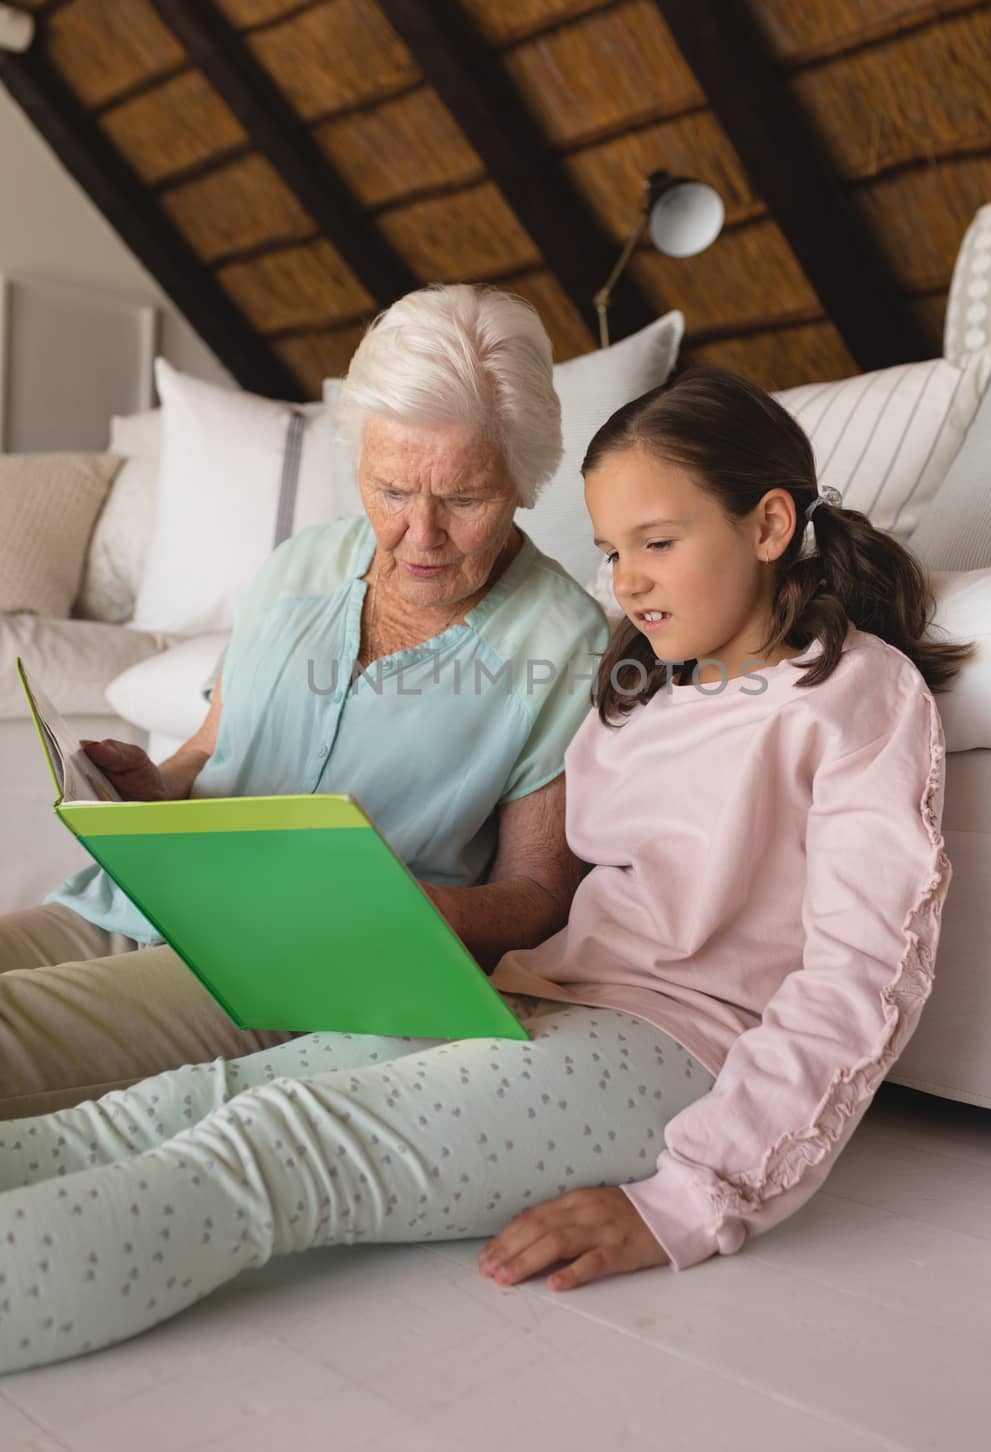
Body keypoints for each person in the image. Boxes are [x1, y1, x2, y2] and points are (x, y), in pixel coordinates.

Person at [0, 365, 975, 1374]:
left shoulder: (854, 691)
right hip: (532, 996)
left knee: (278, 1145)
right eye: (609, 551)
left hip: (678, 1048)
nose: (626, 581)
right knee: (194, 1100)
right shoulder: (637, 688)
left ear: (768, 525)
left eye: (656, 543)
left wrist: (693, 1198)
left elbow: (863, 975)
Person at [0, 284, 607, 1118]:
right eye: (391, 490)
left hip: (294, 961)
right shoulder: (303, 563)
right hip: (140, 898)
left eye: (463, 500)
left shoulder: (564, 643)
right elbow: (207, 752)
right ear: (360, 461)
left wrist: (412, 908)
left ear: (525, 480)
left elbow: (538, 896)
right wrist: (151, 786)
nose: (419, 537)